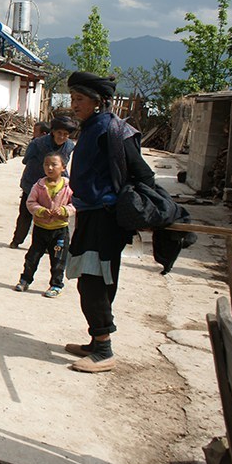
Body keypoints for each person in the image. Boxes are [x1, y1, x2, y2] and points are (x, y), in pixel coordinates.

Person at [63, 71, 155, 373]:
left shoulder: (113, 131)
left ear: (98, 102)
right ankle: (95, 340)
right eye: (73, 99)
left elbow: (143, 174)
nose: (74, 105)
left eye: (80, 100)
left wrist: (127, 205)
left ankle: (104, 349)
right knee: (95, 280)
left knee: (93, 281)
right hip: (89, 215)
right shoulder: (90, 127)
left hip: (105, 218)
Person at [14, 152, 75, 298]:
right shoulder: (39, 185)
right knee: (32, 257)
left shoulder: (68, 187)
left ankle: (56, 285)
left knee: (58, 259)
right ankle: (25, 280)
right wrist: (40, 211)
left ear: (63, 167)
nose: (50, 167)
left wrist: (64, 210)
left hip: (60, 230)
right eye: (46, 164)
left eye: (54, 164)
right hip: (40, 229)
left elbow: (75, 204)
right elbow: (30, 202)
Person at [10, 116, 76, 248]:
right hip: (32, 183)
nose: (62, 137)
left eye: (65, 134)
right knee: (26, 213)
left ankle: (46, 245)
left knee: (52, 214)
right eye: (59, 133)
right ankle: (17, 240)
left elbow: (64, 164)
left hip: (55, 185)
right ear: (53, 132)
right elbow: (25, 160)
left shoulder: (69, 146)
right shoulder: (37, 144)